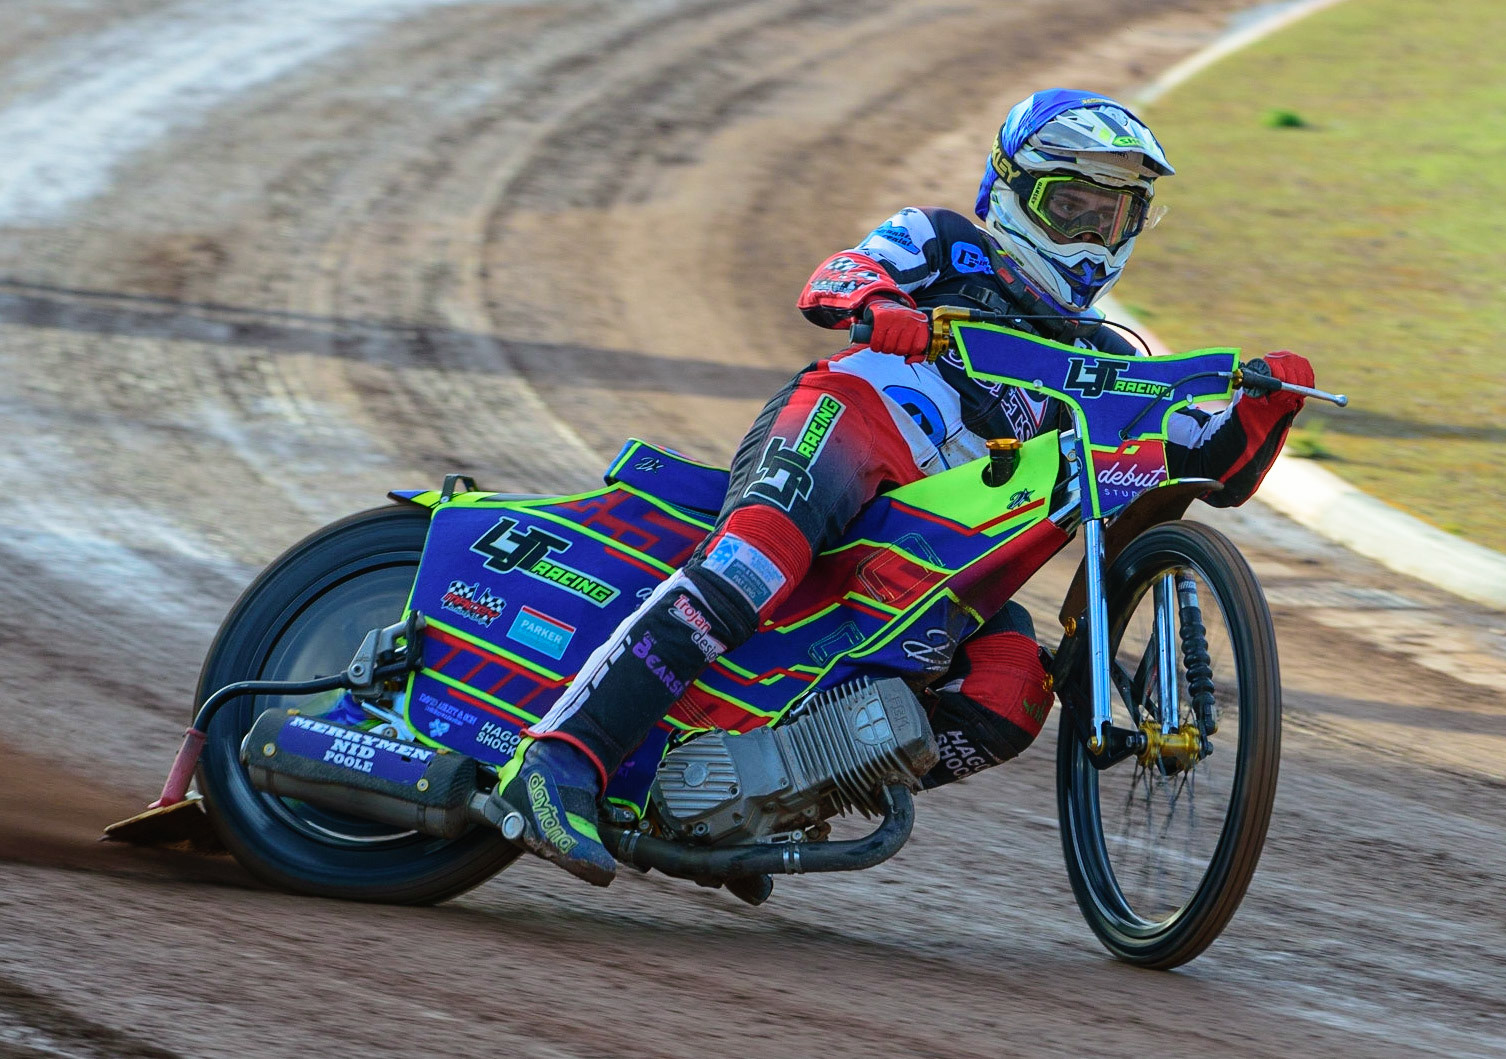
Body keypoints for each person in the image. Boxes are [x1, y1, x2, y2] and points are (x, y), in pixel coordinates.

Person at [498, 88, 1315, 886]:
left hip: (938, 542)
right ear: (1012, 193)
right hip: (850, 423)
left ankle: (756, 801)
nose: (1093, 238)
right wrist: (881, 303)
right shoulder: (945, 239)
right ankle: (556, 760)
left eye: (1113, 217)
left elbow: (1209, 470)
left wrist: (1265, 406)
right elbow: (834, 277)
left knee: (1010, 690)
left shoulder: (1109, 357)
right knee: (751, 566)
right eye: (1072, 208)